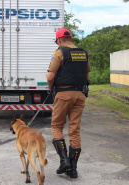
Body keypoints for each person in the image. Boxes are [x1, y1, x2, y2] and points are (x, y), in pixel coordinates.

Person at [47, 28, 91, 178]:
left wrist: (50, 90)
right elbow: (86, 75)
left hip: (63, 94)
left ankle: (64, 160)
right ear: (70, 38)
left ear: (59, 40)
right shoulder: (83, 53)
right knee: (74, 130)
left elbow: (50, 77)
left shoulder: (60, 52)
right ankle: (73, 169)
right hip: (80, 95)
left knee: (57, 126)